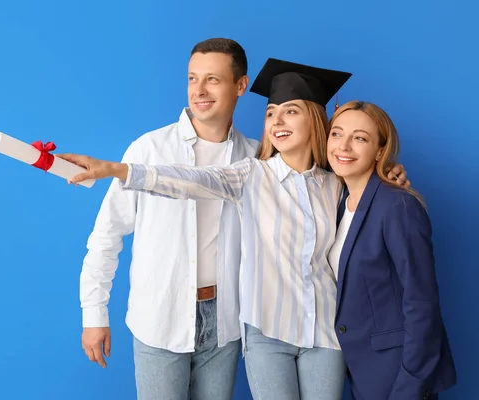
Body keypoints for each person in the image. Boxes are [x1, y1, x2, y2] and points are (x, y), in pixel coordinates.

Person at [58, 58, 410, 399]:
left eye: (290, 111)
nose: (277, 120)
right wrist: (117, 170)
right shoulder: (250, 173)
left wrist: (387, 177)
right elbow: (187, 180)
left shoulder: (334, 184)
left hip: (313, 330)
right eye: (271, 112)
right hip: (247, 327)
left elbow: (364, 211)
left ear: (315, 119)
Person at [76, 37, 259, 400]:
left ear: (241, 85)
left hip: (224, 320)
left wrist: (384, 171)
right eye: (193, 78)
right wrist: (94, 313)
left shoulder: (256, 158)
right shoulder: (148, 150)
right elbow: (106, 236)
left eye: (213, 80)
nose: (199, 90)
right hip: (159, 315)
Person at [327, 101, 457, 400]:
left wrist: (410, 385)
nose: (343, 146)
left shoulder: (398, 206)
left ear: (380, 151)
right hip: (361, 370)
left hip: (398, 372)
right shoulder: (335, 202)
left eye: (360, 138)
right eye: (336, 133)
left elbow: (421, 304)